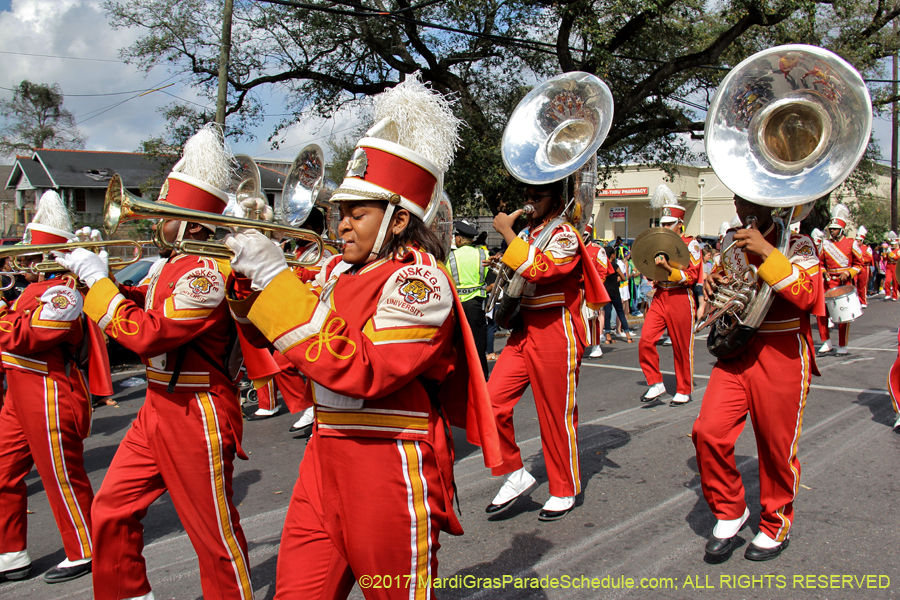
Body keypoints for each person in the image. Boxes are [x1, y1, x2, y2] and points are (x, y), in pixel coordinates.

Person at [223, 75, 500, 599]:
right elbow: (278, 350)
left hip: (386, 463)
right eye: (340, 212)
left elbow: (362, 371)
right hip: (323, 456)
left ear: (397, 220)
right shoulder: (335, 272)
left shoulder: (419, 282)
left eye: (358, 213)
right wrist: (250, 284)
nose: (342, 224)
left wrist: (278, 283)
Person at [58, 126, 260, 600]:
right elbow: (146, 307)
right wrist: (95, 280)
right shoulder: (172, 265)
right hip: (157, 406)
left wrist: (99, 283)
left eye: (164, 214)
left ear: (189, 223)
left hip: (197, 410)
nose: (155, 221)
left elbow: (148, 335)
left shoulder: (205, 272)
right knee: (111, 509)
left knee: (213, 535)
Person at [693, 194, 824, 562]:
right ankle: (731, 509)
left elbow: (807, 294)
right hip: (738, 350)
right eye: (738, 198)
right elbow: (724, 285)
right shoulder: (731, 241)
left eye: (750, 199)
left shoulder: (797, 243)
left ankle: (775, 524)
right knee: (708, 432)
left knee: (776, 447)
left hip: (781, 351)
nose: (742, 206)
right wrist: (711, 288)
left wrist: (767, 250)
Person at [0, 192, 112, 584]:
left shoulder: (64, 290)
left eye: (29, 256)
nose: (22, 263)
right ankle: (10, 551)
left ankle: (87, 546)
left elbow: (32, 337)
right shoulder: (30, 290)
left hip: (49, 391)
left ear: (43, 257)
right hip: (19, 390)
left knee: (60, 475)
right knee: (2, 471)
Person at [485, 176, 608, 522]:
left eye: (537, 195)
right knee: (490, 403)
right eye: (527, 194)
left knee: (555, 415)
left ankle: (564, 488)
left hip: (556, 330)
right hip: (523, 330)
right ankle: (515, 472)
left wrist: (507, 233)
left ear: (556, 200)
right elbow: (519, 271)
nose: (529, 200)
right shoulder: (528, 234)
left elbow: (541, 270)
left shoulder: (564, 234)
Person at [638, 186, 702, 406]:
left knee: (681, 345)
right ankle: (656, 383)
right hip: (660, 295)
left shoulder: (690, 244)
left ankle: (684, 388)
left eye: (668, 224)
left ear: (679, 224)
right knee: (646, 339)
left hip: (680, 296)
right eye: (662, 224)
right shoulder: (658, 241)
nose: (663, 227)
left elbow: (692, 277)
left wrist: (667, 268)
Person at [816, 204, 862, 356]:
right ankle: (826, 342)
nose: (832, 232)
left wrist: (848, 273)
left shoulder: (851, 243)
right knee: (821, 312)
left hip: (843, 283)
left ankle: (843, 344)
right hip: (828, 283)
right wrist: (823, 272)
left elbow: (859, 264)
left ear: (841, 230)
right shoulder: (826, 244)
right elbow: (820, 263)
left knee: (843, 314)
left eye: (834, 229)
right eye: (831, 229)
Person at [448, 220, 489, 378]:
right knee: (478, 347)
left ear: (459, 239)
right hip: (476, 306)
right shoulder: (483, 254)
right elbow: (490, 281)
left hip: (456, 307)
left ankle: (456, 379)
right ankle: (482, 381)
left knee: (455, 346)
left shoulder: (450, 256)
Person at [582, 236, 611, 358]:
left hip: (590, 288)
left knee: (592, 318)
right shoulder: (573, 247)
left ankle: (596, 346)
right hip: (574, 288)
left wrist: (592, 287)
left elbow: (602, 273)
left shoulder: (597, 250)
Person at [602, 245, 634, 344]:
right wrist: (617, 279)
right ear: (612, 255)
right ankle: (628, 336)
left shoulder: (603, 265)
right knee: (621, 313)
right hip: (615, 292)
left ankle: (608, 337)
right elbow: (624, 278)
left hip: (606, 292)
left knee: (607, 313)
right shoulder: (614, 265)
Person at [855, 226, 872, 309]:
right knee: (853, 284)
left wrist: (861, 259)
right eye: (856, 240)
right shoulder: (853, 247)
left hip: (864, 268)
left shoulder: (867, 248)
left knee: (862, 285)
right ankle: (855, 301)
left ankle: (863, 301)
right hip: (855, 267)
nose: (857, 242)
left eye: (859, 240)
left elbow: (869, 258)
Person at [884, 232, 899, 301]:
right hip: (889, 266)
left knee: (895, 282)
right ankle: (887, 294)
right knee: (887, 280)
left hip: (896, 266)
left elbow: (896, 257)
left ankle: (895, 295)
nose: (893, 246)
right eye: (892, 244)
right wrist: (885, 253)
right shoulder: (889, 250)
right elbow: (885, 258)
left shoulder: (898, 250)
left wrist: (890, 253)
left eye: (894, 244)